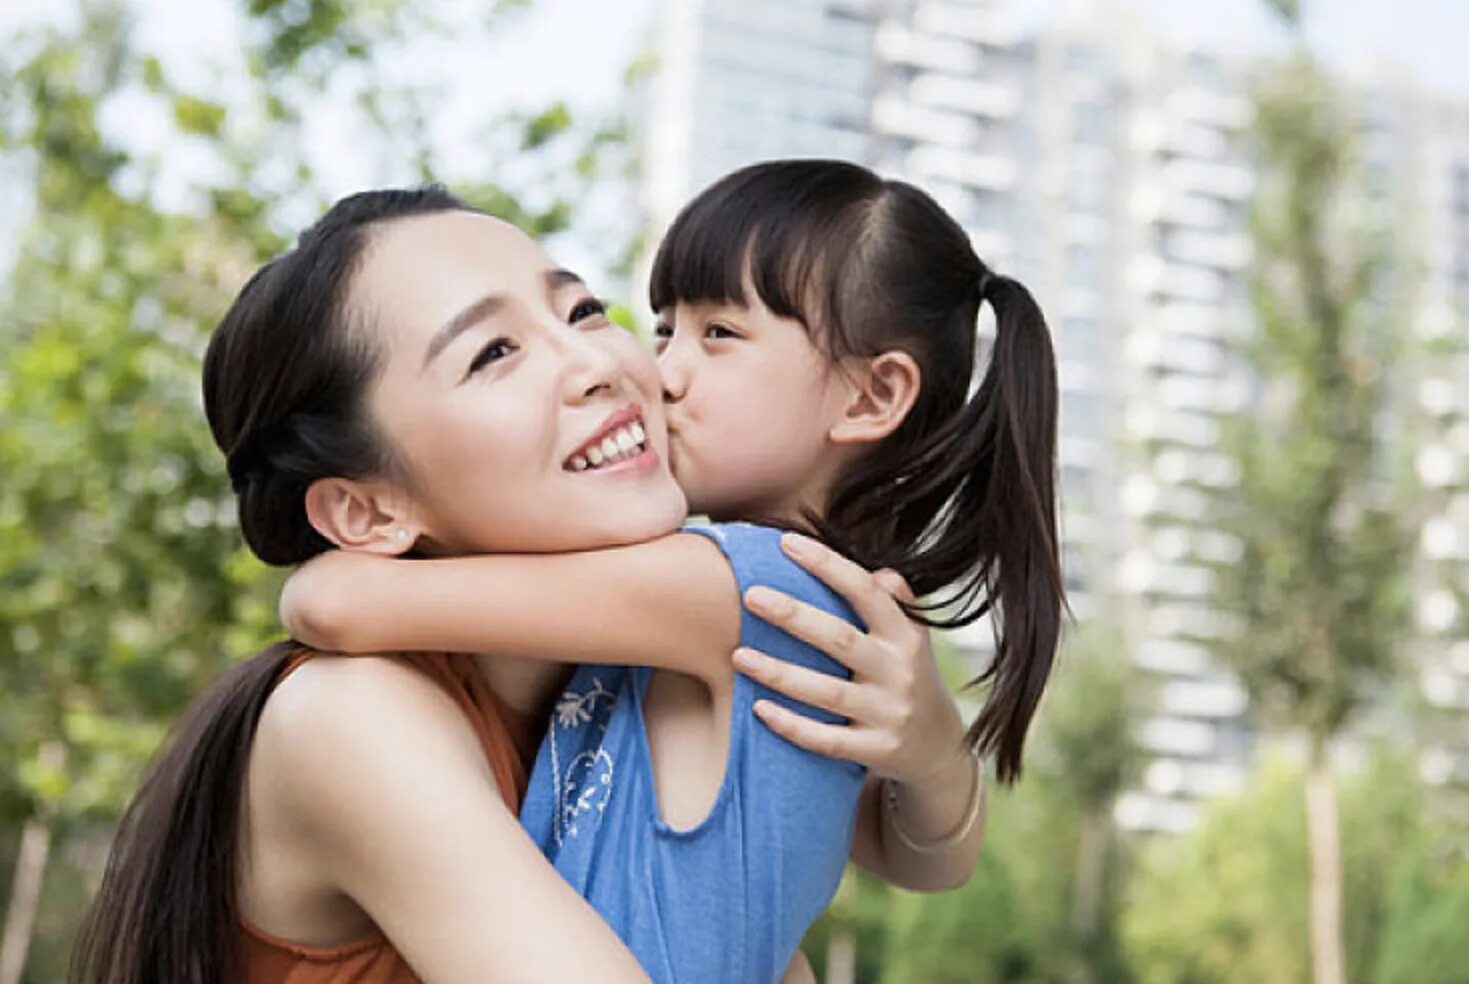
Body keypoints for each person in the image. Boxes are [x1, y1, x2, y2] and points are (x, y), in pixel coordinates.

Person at [72, 184, 973, 984]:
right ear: (367, 511)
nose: (607, 364)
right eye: (493, 353)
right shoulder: (349, 716)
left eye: (580, 311)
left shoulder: (639, 698)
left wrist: (931, 750)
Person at [284, 159, 1068, 981]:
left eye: (719, 335)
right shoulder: (812, 609)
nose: (661, 372)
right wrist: (937, 760)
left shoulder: (737, 587)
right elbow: (924, 861)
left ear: (870, 398)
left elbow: (345, 602)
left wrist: (322, 569)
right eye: (664, 329)